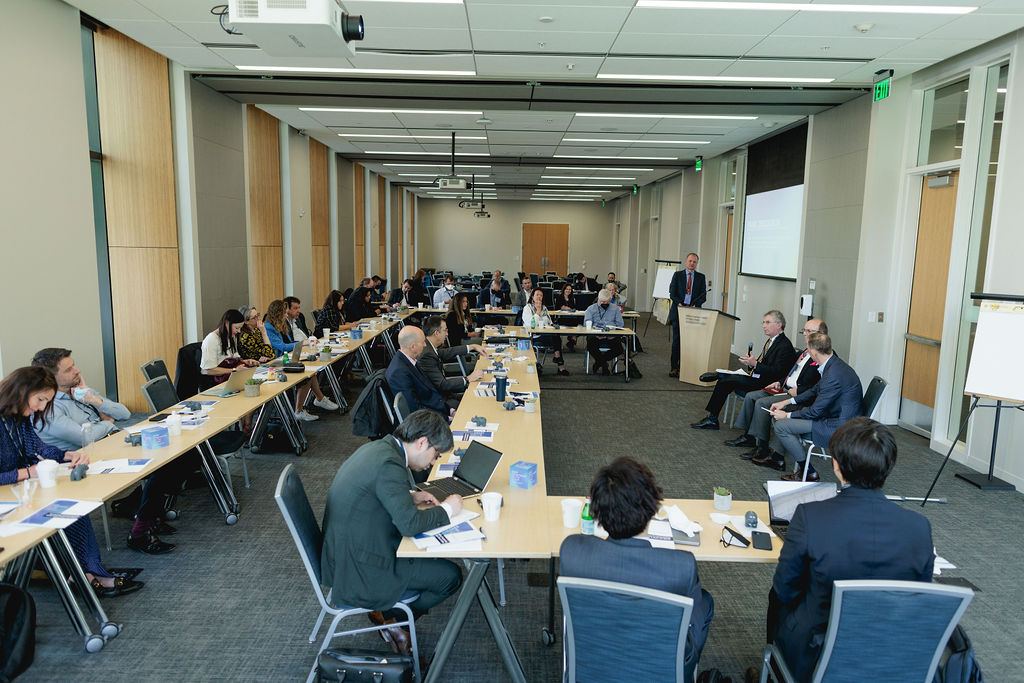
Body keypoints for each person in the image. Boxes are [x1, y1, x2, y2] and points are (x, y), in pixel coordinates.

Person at [768, 418, 933, 681]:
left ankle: (776, 669)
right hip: (893, 653)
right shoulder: (919, 527)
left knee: (777, 597)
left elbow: (785, 588)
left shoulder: (811, 516)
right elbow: (919, 597)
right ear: (888, 466)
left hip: (818, 654)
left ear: (836, 465)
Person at [321, 409, 462, 655]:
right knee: (449, 576)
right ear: (422, 442)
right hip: (361, 566)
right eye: (436, 454)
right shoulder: (390, 464)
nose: (433, 462)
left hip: (347, 551)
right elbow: (409, 525)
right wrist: (449, 510)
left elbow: (373, 491)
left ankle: (389, 616)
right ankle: (393, 618)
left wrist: (411, 496)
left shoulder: (380, 449)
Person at [560, 457, 713, 683]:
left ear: (597, 512)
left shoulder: (572, 551)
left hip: (590, 669)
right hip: (657, 673)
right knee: (705, 602)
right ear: (652, 509)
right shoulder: (681, 566)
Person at [0, 367, 143, 597]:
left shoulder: (19, 417)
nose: (41, 407)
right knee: (62, 511)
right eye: (40, 400)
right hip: (8, 496)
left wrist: (68, 455)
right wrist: (27, 473)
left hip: (18, 491)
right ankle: (84, 574)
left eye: (46, 401)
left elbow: (37, 448)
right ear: (21, 391)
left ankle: (87, 572)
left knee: (73, 506)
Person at [30, 348, 176, 555]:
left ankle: (140, 508)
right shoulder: (49, 407)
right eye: (69, 369)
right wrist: (106, 423)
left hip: (107, 446)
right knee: (160, 466)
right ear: (51, 377)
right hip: (81, 463)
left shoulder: (79, 391)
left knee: (173, 457)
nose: (77, 370)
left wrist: (93, 400)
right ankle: (141, 530)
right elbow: (82, 436)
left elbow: (123, 413)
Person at [724, 319, 827, 460]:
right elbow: (791, 373)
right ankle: (749, 436)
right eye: (804, 331)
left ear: (822, 334)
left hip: (798, 395)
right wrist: (779, 382)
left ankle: (762, 447)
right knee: (751, 396)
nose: (805, 334)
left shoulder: (822, 356)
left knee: (761, 402)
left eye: (810, 331)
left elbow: (819, 386)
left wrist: (798, 390)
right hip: (784, 387)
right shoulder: (804, 352)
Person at [767, 332, 863, 481]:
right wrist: (787, 402)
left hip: (837, 424)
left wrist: (787, 415)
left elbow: (815, 411)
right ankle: (780, 457)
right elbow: (814, 390)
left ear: (813, 352)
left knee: (781, 426)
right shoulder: (834, 364)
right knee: (783, 417)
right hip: (835, 415)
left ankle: (808, 471)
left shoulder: (833, 375)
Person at [691, 310, 796, 431]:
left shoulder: (784, 346)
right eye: (763, 322)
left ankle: (719, 378)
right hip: (759, 378)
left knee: (726, 379)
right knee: (725, 381)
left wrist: (755, 364)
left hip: (769, 384)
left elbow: (777, 372)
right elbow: (763, 365)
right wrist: (751, 364)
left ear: (779, 324)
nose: (764, 325)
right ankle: (712, 417)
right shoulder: (771, 341)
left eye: (767, 322)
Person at [265, 299, 339, 422]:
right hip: (276, 364)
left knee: (310, 372)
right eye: (283, 313)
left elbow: (288, 342)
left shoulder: (281, 325)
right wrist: (301, 343)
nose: (285, 315)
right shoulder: (269, 327)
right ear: (277, 313)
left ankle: (317, 400)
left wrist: (300, 344)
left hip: (284, 359)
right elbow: (282, 346)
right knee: (307, 375)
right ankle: (305, 407)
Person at [418, 316, 487, 407]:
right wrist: (468, 379)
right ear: (436, 333)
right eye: (445, 330)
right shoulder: (426, 354)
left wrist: (472, 346)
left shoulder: (429, 347)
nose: (447, 334)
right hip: (442, 401)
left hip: (447, 395)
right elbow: (443, 384)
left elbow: (448, 352)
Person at [385, 326, 450, 419]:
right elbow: (415, 410)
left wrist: (449, 410)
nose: (425, 345)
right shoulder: (399, 372)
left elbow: (428, 392)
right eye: (423, 342)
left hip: (437, 410)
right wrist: (446, 418)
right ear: (412, 346)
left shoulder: (409, 361)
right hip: (427, 422)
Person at [668, 253, 707, 377]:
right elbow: (671, 293)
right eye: (690, 261)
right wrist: (679, 302)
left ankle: (688, 367)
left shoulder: (701, 277)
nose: (692, 263)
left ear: (697, 263)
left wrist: (697, 304)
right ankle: (674, 367)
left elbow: (703, 295)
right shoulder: (677, 275)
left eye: (694, 262)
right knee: (677, 340)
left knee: (691, 341)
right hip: (679, 311)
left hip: (693, 313)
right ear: (686, 262)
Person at [200, 309, 260, 382]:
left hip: (231, 377)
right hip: (216, 381)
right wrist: (234, 370)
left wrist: (246, 362)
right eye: (237, 328)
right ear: (227, 323)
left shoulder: (232, 336)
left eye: (240, 328)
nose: (239, 331)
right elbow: (209, 370)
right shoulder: (211, 340)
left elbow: (232, 359)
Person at [522, 287, 569, 375]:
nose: (539, 297)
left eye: (541, 295)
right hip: (533, 336)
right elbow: (530, 325)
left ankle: (558, 359)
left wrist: (551, 325)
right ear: (532, 296)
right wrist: (538, 312)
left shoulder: (544, 308)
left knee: (556, 335)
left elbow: (549, 322)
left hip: (546, 334)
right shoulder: (527, 308)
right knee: (555, 338)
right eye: (537, 295)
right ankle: (560, 364)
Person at [583, 289, 625, 376]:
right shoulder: (591, 309)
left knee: (619, 349)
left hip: (611, 336)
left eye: (607, 302)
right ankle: (604, 365)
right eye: (602, 302)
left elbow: (620, 325)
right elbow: (586, 324)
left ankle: (599, 362)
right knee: (590, 345)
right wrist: (596, 333)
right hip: (595, 336)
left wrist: (613, 334)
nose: (605, 304)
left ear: (610, 300)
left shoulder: (615, 309)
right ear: (598, 299)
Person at [554, 283, 579, 350]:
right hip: (562, 318)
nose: (568, 291)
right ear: (564, 290)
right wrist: (565, 308)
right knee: (573, 323)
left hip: (571, 318)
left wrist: (567, 308)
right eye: (567, 289)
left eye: (570, 289)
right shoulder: (559, 298)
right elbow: (557, 308)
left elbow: (573, 308)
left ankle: (572, 340)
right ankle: (572, 340)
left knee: (578, 324)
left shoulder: (572, 298)